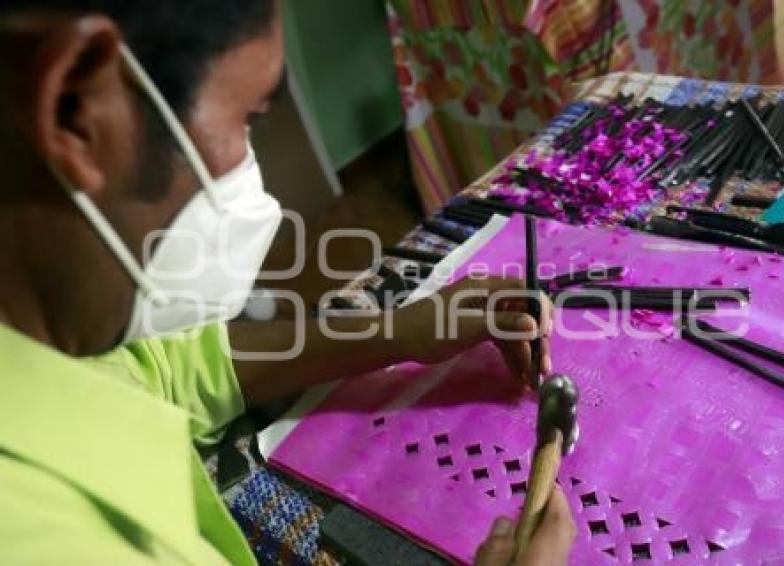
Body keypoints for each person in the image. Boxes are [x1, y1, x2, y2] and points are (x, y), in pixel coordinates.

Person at [0, 1, 574, 563]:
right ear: (74, 105)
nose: (256, 178)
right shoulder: (50, 540)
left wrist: (399, 332)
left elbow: (177, 370)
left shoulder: (59, 321)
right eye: (245, 118)